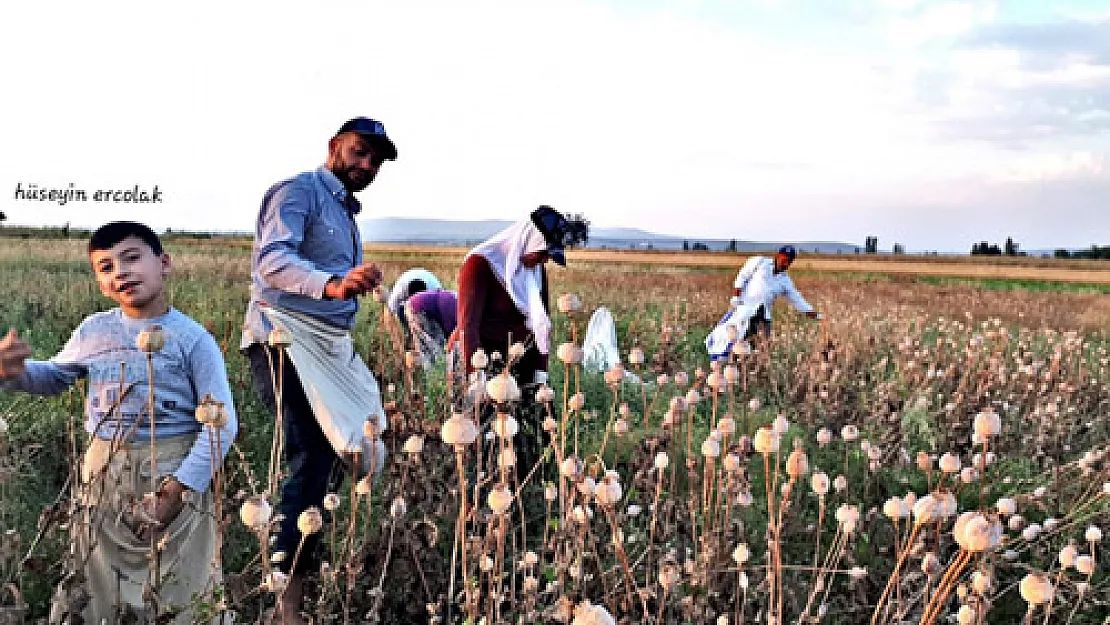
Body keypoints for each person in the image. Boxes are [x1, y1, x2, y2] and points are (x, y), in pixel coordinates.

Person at [0, 221, 238, 624]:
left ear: (164, 263)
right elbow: (54, 376)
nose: (121, 272)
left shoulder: (193, 340)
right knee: (95, 582)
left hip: (172, 471)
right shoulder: (93, 331)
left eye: (132, 258)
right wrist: (13, 372)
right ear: (100, 283)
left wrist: (176, 491)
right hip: (103, 472)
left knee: (179, 584)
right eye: (106, 267)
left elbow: (221, 425)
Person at [241, 117, 394, 624]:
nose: (366, 164)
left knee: (351, 447)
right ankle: (286, 595)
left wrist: (348, 288)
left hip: (329, 345)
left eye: (374, 159)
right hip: (281, 337)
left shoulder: (347, 213)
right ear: (334, 147)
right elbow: (273, 261)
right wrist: (332, 284)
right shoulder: (298, 192)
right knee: (312, 447)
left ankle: (300, 566)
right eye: (358, 152)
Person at [450, 206, 586, 465]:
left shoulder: (534, 269)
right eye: (543, 253)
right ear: (528, 240)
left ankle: (532, 476)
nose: (544, 260)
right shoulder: (479, 265)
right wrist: (476, 377)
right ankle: (477, 479)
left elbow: (541, 324)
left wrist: (539, 373)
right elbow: (469, 326)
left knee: (535, 423)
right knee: (481, 429)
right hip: (480, 358)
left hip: (518, 358)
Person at [706, 245, 820, 360]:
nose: (786, 264)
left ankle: (754, 371)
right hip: (745, 310)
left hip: (763, 316)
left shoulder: (785, 281)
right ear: (778, 256)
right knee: (735, 342)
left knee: (763, 347)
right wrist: (736, 296)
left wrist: (814, 314)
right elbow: (742, 276)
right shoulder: (759, 263)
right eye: (784, 260)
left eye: (789, 262)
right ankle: (731, 369)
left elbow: (797, 300)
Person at [404, 287, 457, 365]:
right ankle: (438, 374)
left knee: (426, 350)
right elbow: (451, 338)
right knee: (439, 350)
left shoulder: (463, 302)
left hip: (415, 304)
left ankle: (419, 366)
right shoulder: (463, 316)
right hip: (422, 309)